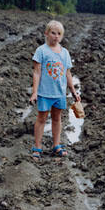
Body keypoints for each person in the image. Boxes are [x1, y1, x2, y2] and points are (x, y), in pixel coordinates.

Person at [29, 20, 81, 160]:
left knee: (57, 119)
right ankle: (37, 147)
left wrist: (73, 91)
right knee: (41, 118)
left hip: (59, 93)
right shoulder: (41, 51)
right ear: (46, 33)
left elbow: (68, 73)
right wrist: (35, 92)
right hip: (44, 92)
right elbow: (37, 72)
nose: (56, 36)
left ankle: (56, 145)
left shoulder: (65, 53)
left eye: (59, 34)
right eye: (53, 33)